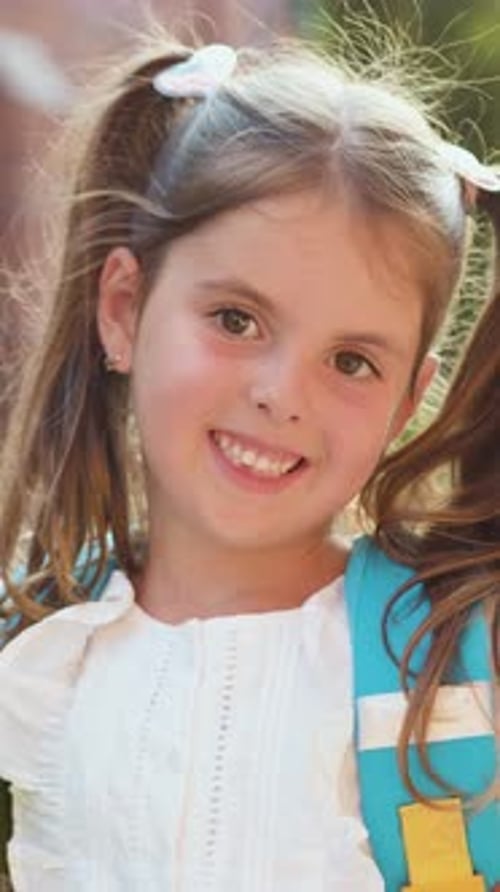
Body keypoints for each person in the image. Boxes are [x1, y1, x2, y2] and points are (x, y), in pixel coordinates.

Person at [0, 30, 498, 891]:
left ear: (406, 401)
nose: (283, 393)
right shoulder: (38, 650)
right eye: (236, 319)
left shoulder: (451, 649)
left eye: (351, 362)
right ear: (123, 307)